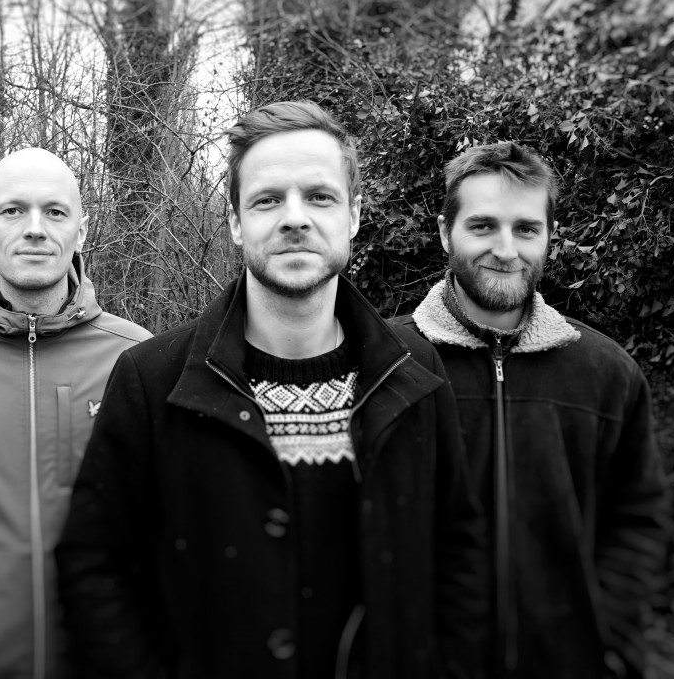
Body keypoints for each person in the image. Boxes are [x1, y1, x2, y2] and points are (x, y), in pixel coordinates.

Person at [57, 100, 486, 679]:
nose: (295, 218)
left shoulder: (413, 371)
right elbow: (94, 566)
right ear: (236, 222)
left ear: (354, 214)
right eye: (267, 200)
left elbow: (459, 551)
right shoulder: (151, 379)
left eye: (320, 196)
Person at [395, 141, 666, 679]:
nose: (505, 249)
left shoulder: (606, 373)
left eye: (525, 228)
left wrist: (606, 645)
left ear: (549, 237)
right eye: (482, 226)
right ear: (445, 232)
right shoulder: (389, 365)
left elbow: (637, 520)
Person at [0, 148, 151, 679]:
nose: (35, 229)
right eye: (13, 211)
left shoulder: (139, 359)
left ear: (82, 231)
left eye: (55, 212)